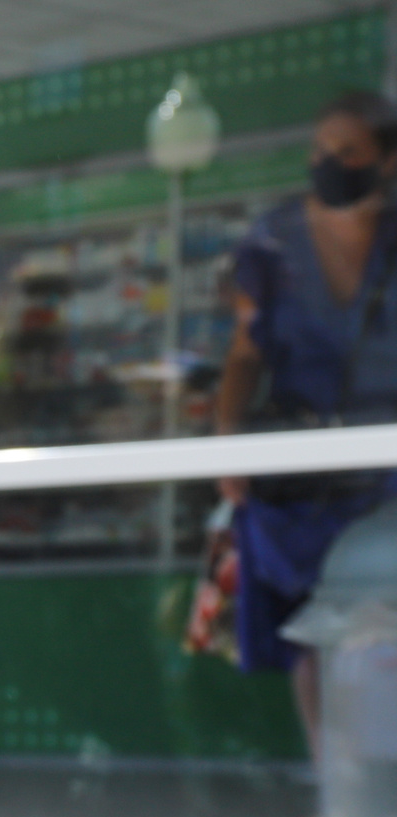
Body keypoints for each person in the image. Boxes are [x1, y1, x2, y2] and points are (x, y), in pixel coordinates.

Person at [215, 91, 397, 775]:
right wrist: (229, 444)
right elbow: (243, 353)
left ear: (387, 160)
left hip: (387, 461)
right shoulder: (273, 242)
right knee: (314, 631)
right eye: (320, 151)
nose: (329, 164)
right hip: (304, 472)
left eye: (347, 152)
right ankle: (339, 785)